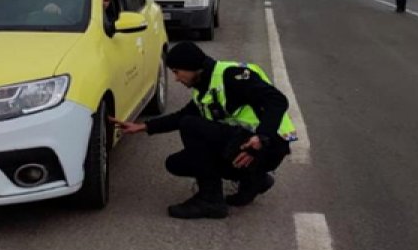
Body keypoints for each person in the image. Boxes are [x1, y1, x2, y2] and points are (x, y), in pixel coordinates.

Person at [109, 41, 297, 219]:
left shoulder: (231, 76)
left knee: (191, 126)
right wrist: (143, 127)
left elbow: (278, 101)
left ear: (191, 67)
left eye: (177, 72)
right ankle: (253, 178)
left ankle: (210, 200)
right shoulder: (204, 88)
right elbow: (182, 115)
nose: (176, 78)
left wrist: (261, 138)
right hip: (245, 143)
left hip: (268, 144)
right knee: (176, 163)